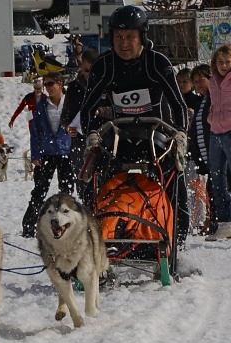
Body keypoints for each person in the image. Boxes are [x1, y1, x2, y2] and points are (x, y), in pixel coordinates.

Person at [80, 4, 190, 244]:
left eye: (130, 36)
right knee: (89, 172)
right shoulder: (104, 65)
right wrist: (90, 135)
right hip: (119, 136)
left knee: (176, 172)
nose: (124, 43)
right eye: (119, 37)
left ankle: (178, 235)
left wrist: (181, 135)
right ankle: (92, 233)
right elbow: (87, 108)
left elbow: (179, 105)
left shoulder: (157, 63)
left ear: (142, 36)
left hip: (157, 135)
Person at [21, 72, 74, 238]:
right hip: (47, 154)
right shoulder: (42, 106)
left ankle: (66, 224)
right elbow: (35, 133)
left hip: (67, 153)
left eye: (51, 84)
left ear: (60, 83)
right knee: (39, 191)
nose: (47, 88)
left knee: (66, 192)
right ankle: (29, 226)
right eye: (46, 84)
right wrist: (35, 155)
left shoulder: (71, 104)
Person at [61, 47, 99, 197]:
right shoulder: (73, 87)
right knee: (83, 187)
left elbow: (115, 110)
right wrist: (66, 127)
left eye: (93, 71)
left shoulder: (107, 85)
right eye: (87, 71)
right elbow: (65, 115)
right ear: (82, 67)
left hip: (102, 140)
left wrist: (100, 112)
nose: (90, 75)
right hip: (79, 142)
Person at [206, 44, 231, 241]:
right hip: (215, 132)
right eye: (220, 62)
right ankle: (224, 223)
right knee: (217, 179)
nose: (224, 65)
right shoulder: (213, 81)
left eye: (228, 61)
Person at [189, 64, 215, 235]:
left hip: (217, 151)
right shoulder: (200, 101)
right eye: (195, 81)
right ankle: (213, 222)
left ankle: (216, 223)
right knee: (211, 190)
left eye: (201, 80)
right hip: (205, 154)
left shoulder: (215, 99)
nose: (198, 84)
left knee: (217, 188)